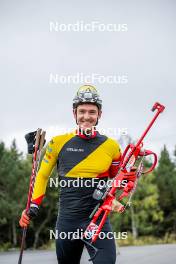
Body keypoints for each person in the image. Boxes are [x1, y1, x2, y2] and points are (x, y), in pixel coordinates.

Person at [19, 85, 137, 264]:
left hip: (97, 221)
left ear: (99, 115)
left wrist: (130, 169)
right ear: (74, 113)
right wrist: (33, 206)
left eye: (92, 111)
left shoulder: (112, 146)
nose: (87, 116)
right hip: (68, 223)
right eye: (82, 111)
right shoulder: (57, 143)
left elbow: (116, 177)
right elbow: (41, 175)